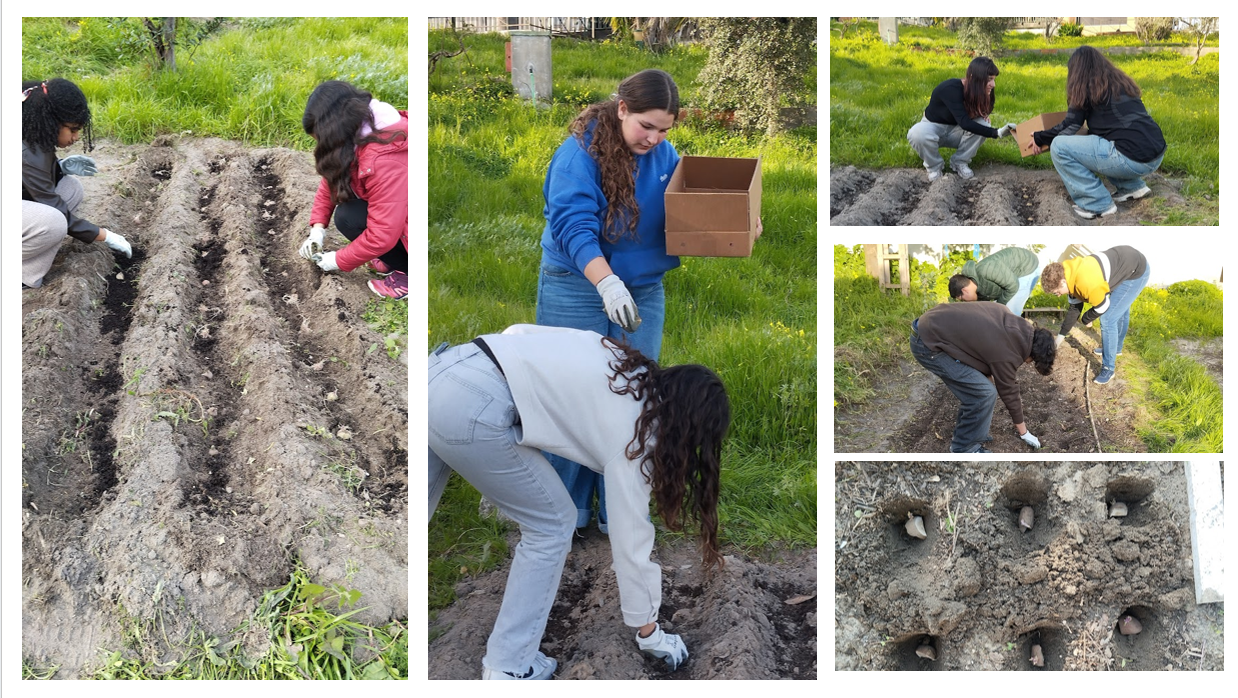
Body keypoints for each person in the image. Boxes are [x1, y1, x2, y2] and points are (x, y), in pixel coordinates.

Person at [428, 324, 729, 679]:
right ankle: (507, 668)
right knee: (553, 525)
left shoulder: (620, 359)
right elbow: (630, 541)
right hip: (471, 410)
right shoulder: (635, 438)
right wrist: (650, 633)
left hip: (442, 369)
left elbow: (517, 331)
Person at [534, 68, 682, 534]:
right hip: (577, 284)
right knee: (572, 395)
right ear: (622, 109)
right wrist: (606, 283)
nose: (655, 138)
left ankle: (617, 510)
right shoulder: (578, 155)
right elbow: (573, 226)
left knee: (633, 396)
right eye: (646, 126)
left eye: (665, 130)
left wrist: (737, 221)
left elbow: (687, 204)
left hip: (641, 287)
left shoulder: (663, 156)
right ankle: (567, 515)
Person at [1028, 46, 1167, 219]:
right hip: (1155, 154)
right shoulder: (1119, 83)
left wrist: (1039, 137)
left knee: (1059, 146)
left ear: (1077, 71)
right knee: (1100, 139)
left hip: (1133, 159)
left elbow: (1070, 126)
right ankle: (1132, 187)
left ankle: (1097, 204)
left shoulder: (1085, 88)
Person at [298, 81, 408, 299]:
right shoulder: (360, 134)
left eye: (320, 139)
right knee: (349, 215)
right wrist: (317, 230)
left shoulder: (385, 159)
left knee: (350, 218)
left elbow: (382, 235)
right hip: (401, 217)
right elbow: (332, 175)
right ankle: (396, 259)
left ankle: (409, 273)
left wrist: (336, 260)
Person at [22, 78, 133, 288]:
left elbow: (30, 181)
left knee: (71, 189)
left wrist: (59, 167)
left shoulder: (32, 129)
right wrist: (103, 235)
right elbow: (51, 203)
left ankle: (25, 274)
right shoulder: (25, 150)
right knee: (53, 222)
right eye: (72, 129)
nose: (76, 137)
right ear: (51, 121)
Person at [909, 302, 1057, 453]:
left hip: (930, 325)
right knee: (983, 394)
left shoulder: (1010, 320)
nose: (1027, 363)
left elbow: (983, 355)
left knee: (982, 390)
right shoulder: (1007, 353)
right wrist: (1024, 432)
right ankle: (964, 447)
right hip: (927, 344)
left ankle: (972, 433)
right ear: (1033, 354)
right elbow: (1009, 392)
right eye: (1032, 361)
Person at [1040, 246, 1149, 385]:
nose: (1058, 295)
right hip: (1123, 262)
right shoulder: (1068, 273)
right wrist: (1058, 341)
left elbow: (1103, 306)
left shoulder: (1085, 283)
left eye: (1057, 292)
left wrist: (1087, 318)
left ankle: (1108, 368)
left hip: (1136, 270)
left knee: (1108, 318)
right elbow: (1074, 309)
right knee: (1120, 309)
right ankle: (1116, 349)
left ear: (1062, 282)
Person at [907, 57, 1019, 181]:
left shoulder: (983, 91)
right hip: (934, 126)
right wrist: (996, 133)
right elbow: (965, 122)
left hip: (957, 129)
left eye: (993, 79)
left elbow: (978, 116)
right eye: (989, 79)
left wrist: (982, 116)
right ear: (973, 78)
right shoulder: (950, 89)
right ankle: (934, 167)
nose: (993, 84)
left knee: (983, 125)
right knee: (916, 133)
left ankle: (959, 162)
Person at [948, 246, 1043, 316]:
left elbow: (1013, 286)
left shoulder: (987, 270)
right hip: (1012, 276)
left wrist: (999, 307)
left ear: (965, 291)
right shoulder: (977, 289)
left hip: (1027, 267)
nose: (966, 302)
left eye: (963, 299)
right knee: (997, 311)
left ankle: (1013, 340)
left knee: (1010, 312)